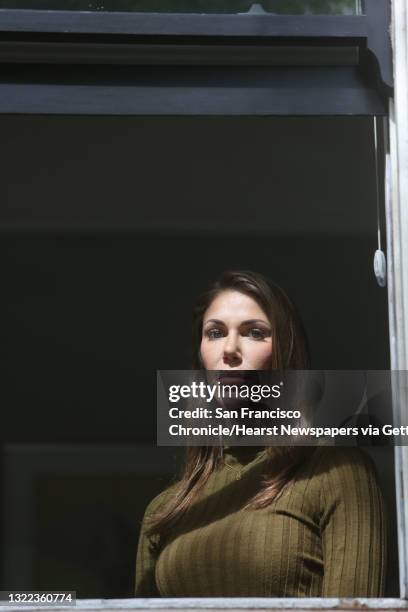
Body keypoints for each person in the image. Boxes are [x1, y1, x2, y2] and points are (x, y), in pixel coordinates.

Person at [134, 270, 387, 598]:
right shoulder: (164, 511)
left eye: (254, 333)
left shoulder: (337, 473)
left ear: (285, 354)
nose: (230, 349)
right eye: (214, 333)